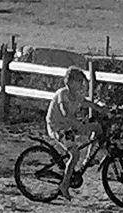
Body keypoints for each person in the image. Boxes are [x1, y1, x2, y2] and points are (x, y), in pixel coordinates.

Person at [45, 66, 110, 201]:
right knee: (74, 155)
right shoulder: (62, 94)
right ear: (70, 82)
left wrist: (99, 109)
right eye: (79, 81)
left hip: (70, 125)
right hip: (58, 128)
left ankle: (89, 159)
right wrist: (76, 122)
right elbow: (64, 111)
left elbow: (86, 103)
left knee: (97, 128)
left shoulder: (77, 95)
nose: (81, 84)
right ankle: (64, 185)